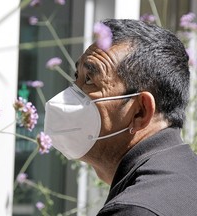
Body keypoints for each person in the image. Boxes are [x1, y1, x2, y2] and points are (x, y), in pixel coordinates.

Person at [44, 19, 197, 215]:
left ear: (140, 111)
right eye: (77, 77)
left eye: (89, 80)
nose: (70, 95)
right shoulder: (186, 175)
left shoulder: (134, 209)